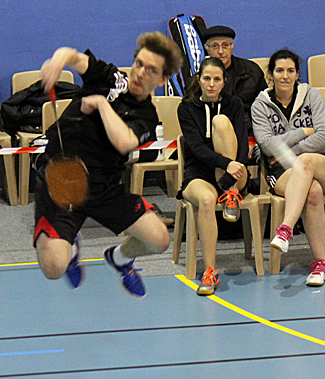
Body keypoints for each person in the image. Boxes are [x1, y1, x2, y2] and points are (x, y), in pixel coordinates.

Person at [34, 32, 183, 298]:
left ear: (163, 79)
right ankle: (71, 251)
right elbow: (74, 56)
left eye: (151, 70)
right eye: (138, 63)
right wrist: (58, 62)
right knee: (53, 268)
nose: (139, 73)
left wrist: (102, 104)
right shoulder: (110, 78)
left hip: (104, 189)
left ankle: (121, 258)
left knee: (159, 239)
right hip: (62, 181)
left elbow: (124, 142)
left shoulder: (147, 116)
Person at [251, 49, 325, 287]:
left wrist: (292, 150)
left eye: (290, 71)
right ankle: (321, 264)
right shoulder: (260, 105)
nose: (285, 76)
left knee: (305, 162)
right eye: (279, 71)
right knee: (311, 192)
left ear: (297, 74)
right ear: (270, 74)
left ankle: (286, 228)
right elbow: (267, 145)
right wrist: (303, 132)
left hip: (322, 164)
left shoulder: (311, 95)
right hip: (281, 172)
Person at [177, 56, 249, 295]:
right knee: (207, 201)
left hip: (236, 174)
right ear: (199, 80)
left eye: (217, 79)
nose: (211, 84)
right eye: (206, 78)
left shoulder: (235, 103)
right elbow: (196, 149)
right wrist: (225, 165)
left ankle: (231, 192)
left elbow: (242, 144)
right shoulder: (186, 107)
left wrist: (233, 169)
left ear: (224, 81)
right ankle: (210, 270)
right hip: (200, 173)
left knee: (221, 121)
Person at [202, 25, 267, 134]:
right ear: (206, 49)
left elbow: (265, 106)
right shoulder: (200, 77)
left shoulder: (252, 71)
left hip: (251, 132)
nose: (221, 51)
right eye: (215, 46)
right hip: (214, 133)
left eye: (225, 45)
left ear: (232, 46)